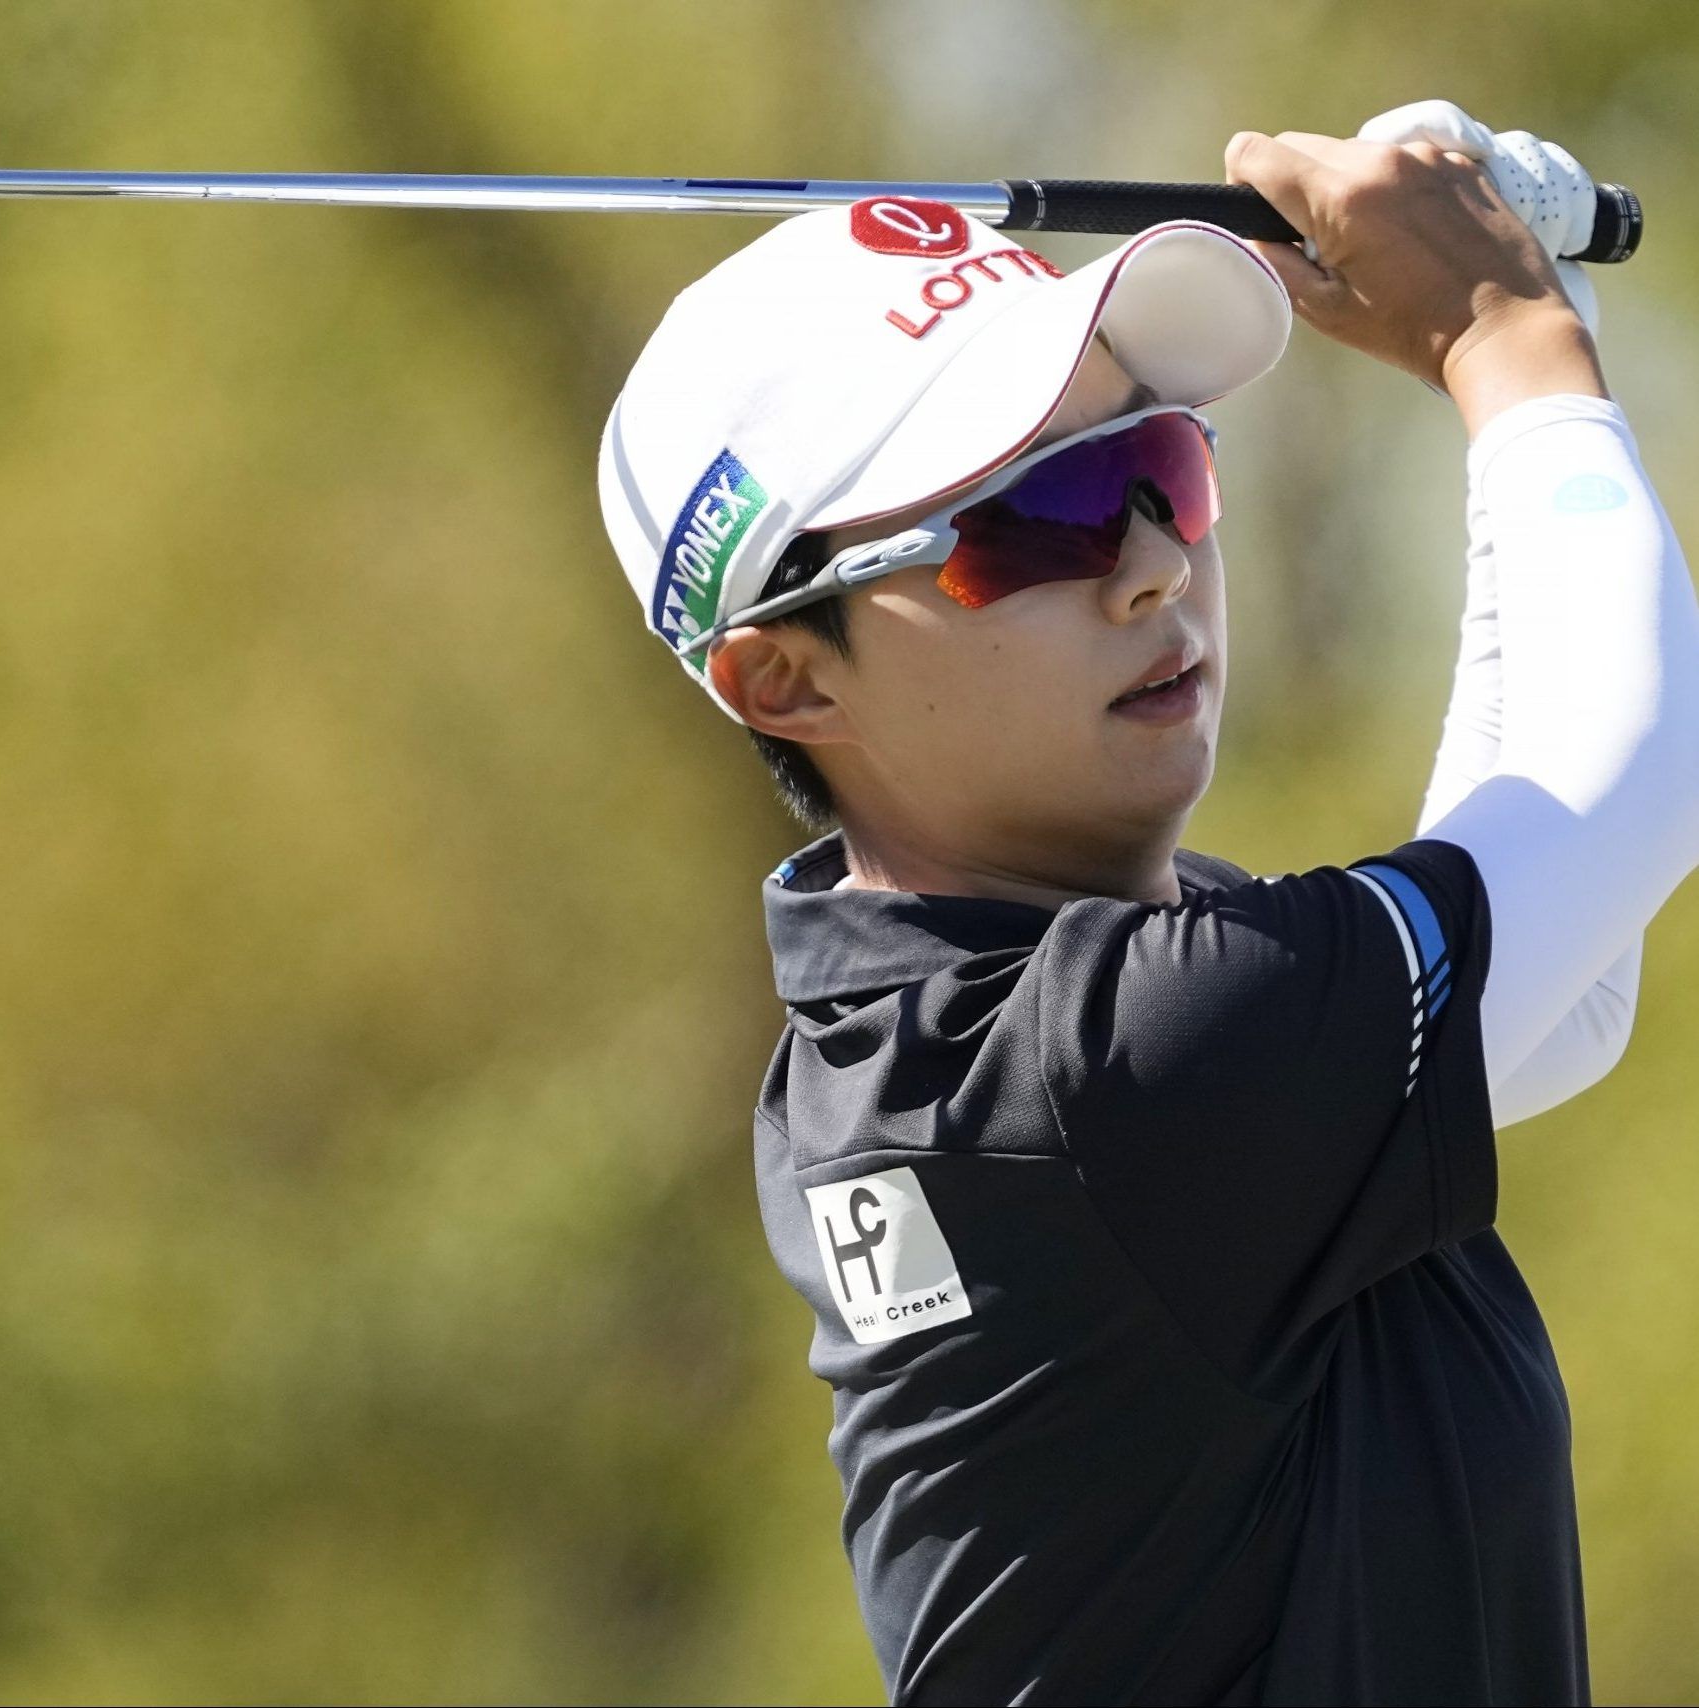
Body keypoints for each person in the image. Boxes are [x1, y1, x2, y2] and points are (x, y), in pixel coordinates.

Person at [595, 100, 1699, 1706]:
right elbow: (1622, 785)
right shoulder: (1102, 1072)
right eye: (1021, 523)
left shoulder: (961, 1038)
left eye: (1149, 463)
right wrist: (1497, 335)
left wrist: (1533, 328)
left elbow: (1560, 983)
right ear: (782, 677)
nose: (1147, 563)